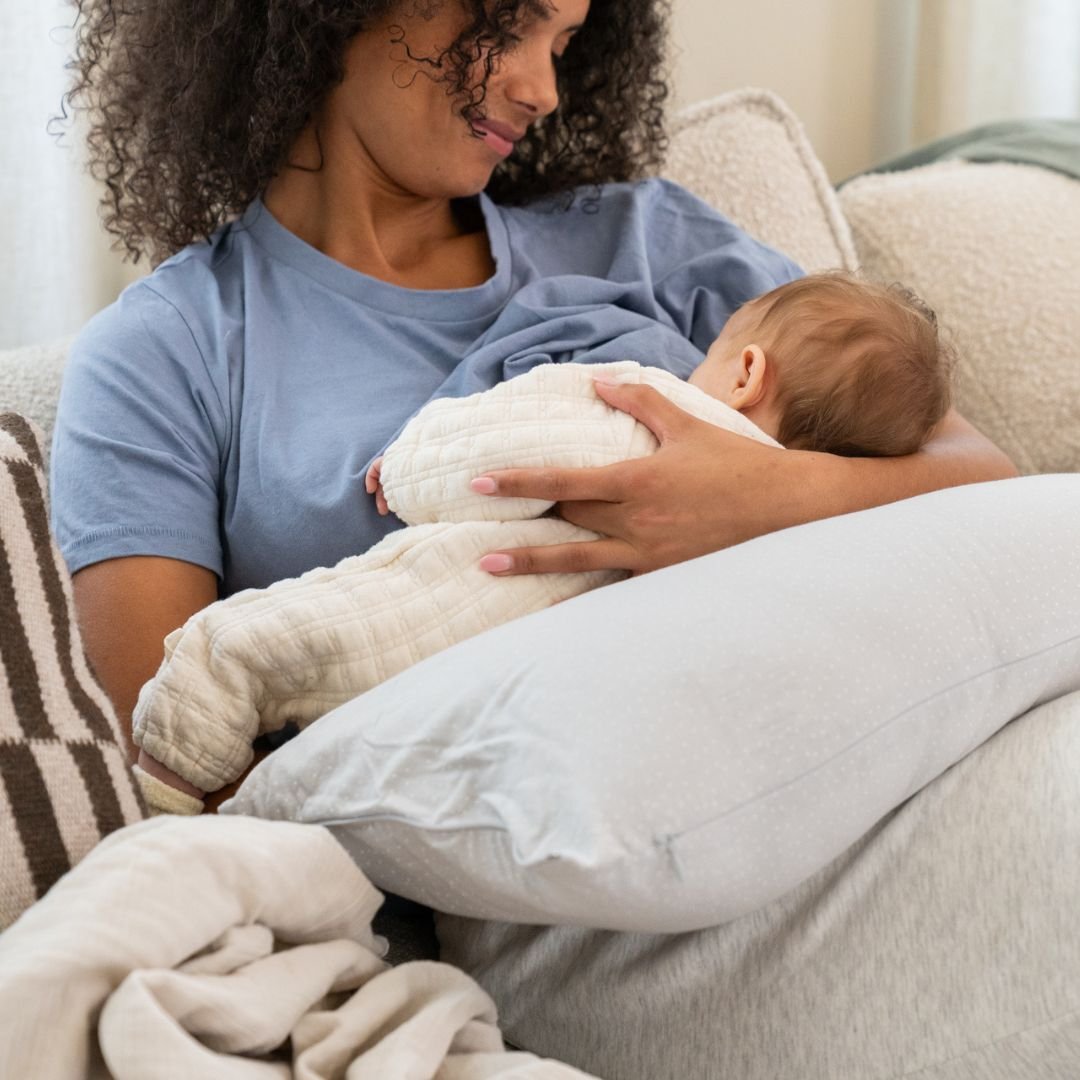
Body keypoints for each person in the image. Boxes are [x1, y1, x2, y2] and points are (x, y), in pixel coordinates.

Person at [54, 0, 1016, 811]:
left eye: (562, 43)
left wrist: (752, 497)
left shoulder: (648, 237)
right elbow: (176, 760)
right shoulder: (164, 353)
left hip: (823, 760)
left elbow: (983, 479)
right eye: (511, 20)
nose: (542, 88)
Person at [131, 269, 954, 814]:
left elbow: (508, 451)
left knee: (231, 652)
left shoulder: (654, 410)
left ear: (743, 373)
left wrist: (410, 463)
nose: (543, 88)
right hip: (552, 755)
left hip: (432, 621)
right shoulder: (823, 551)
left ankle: (162, 807)